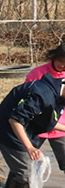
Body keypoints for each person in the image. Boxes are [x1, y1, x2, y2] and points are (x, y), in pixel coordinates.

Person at [0, 72, 65, 188]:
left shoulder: (57, 93)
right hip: (8, 130)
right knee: (24, 173)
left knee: (20, 170)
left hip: (21, 129)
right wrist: (29, 147)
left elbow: (48, 122)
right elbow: (15, 120)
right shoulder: (43, 95)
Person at [25, 43, 65, 171]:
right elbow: (26, 98)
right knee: (24, 161)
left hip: (60, 127)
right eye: (60, 61)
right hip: (37, 126)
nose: (62, 66)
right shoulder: (37, 73)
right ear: (54, 57)